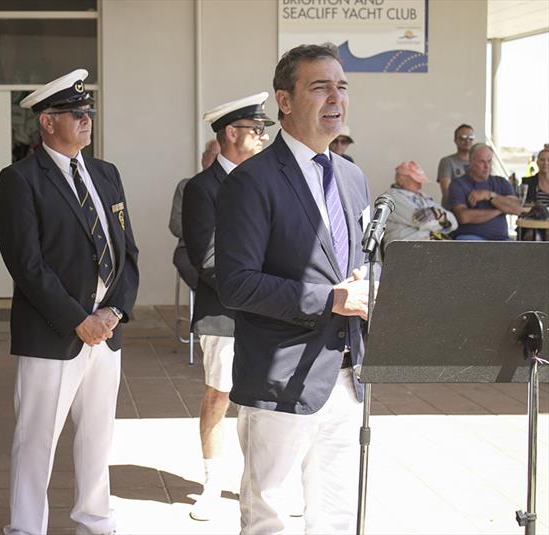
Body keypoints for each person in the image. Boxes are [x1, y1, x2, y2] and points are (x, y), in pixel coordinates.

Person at [215, 43, 374, 534]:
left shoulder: (352, 176)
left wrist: (372, 283)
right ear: (284, 100)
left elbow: (360, 260)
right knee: (271, 517)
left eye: (342, 87)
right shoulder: (251, 181)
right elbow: (235, 285)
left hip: (347, 375)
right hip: (280, 379)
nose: (336, 98)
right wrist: (330, 300)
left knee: (338, 513)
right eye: (320, 87)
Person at [0, 69, 139, 535]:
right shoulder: (20, 179)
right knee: (37, 441)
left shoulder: (105, 173)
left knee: (98, 437)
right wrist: (79, 320)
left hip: (105, 331)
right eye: (75, 113)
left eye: (88, 111)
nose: (85, 119)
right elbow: (27, 265)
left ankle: (95, 520)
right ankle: (25, 527)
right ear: (47, 123)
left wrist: (113, 312)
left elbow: (127, 253)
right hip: (54, 333)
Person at [181, 92, 273, 521]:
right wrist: (261, 293)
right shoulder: (202, 188)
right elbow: (209, 258)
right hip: (226, 312)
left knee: (261, 404)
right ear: (231, 134)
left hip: (267, 311)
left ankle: (258, 487)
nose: (262, 136)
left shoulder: (263, 178)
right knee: (219, 396)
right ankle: (211, 484)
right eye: (256, 130)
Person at [169, 140, 220, 289]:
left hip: (226, 247)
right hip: (190, 246)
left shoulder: (235, 186)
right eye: (214, 155)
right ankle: (209, 297)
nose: (218, 160)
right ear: (204, 158)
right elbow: (175, 224)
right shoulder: (186, 186)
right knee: (185, 261)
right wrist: (202, 232)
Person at [447, 143, 523, 241]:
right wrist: (501, 209)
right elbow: (463, 217)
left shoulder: (501, 182)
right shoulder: (458, 184)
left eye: (489, 161)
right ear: (471, 162)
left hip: (502, 240)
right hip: (470, 238)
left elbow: (517, 209)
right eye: (482, 162)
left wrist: (489, 195)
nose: (487, 166)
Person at [382, 161, 457, 252]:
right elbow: (420, 222)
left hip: (428, 247)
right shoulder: (391, 197)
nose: (420, 184)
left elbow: (453, 222)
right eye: (415, 180)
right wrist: (441, 221)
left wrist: (439, 216)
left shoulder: (423, 197)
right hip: (404, 249)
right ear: (401, 180)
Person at [436, 124, 475, 208]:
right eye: (463, 138)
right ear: (455, 140)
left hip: (475, 210)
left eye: (470, 138)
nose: (467, 141)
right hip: (454, 211)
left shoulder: (478, 163)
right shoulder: (447, 161)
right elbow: (447, 191)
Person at [520, 146, 549, 240]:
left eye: (548, 160)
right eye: (542, 160)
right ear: (537, 162)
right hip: (534, 225)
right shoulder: (527, 182)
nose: (545, 163)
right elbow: (521, 205)